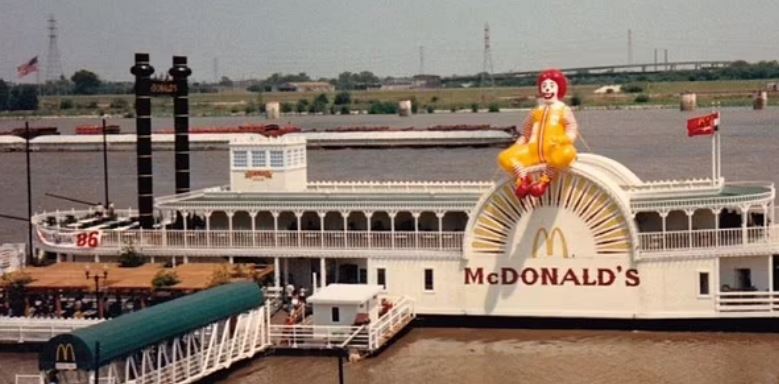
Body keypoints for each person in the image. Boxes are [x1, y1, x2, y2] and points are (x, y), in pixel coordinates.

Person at [498, 69, 579, 199]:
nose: (547, 89)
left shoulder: (563, 109)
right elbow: (526, 134)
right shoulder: (535, 112)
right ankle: (523, 178)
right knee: (504, 157)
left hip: (554, 150)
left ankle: (545, 180)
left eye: (551, 86)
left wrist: (562, 140)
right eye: (544, 86)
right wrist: (517, 146)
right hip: (532, 152)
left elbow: (572, 130)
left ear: (559, 88)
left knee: (567, 153)